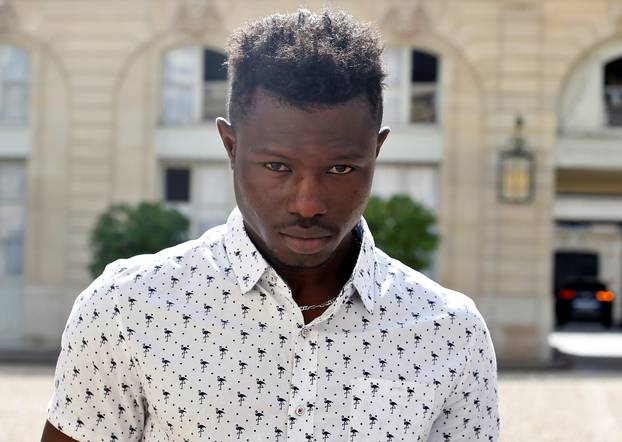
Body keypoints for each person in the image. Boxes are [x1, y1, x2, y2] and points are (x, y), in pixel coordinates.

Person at [42, 9, 499, 442]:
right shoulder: (125, 309)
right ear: (230, 146)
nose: (307, 203)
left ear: (375, 153)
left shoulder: (450, 332)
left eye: (340, 169)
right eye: (278, 167)